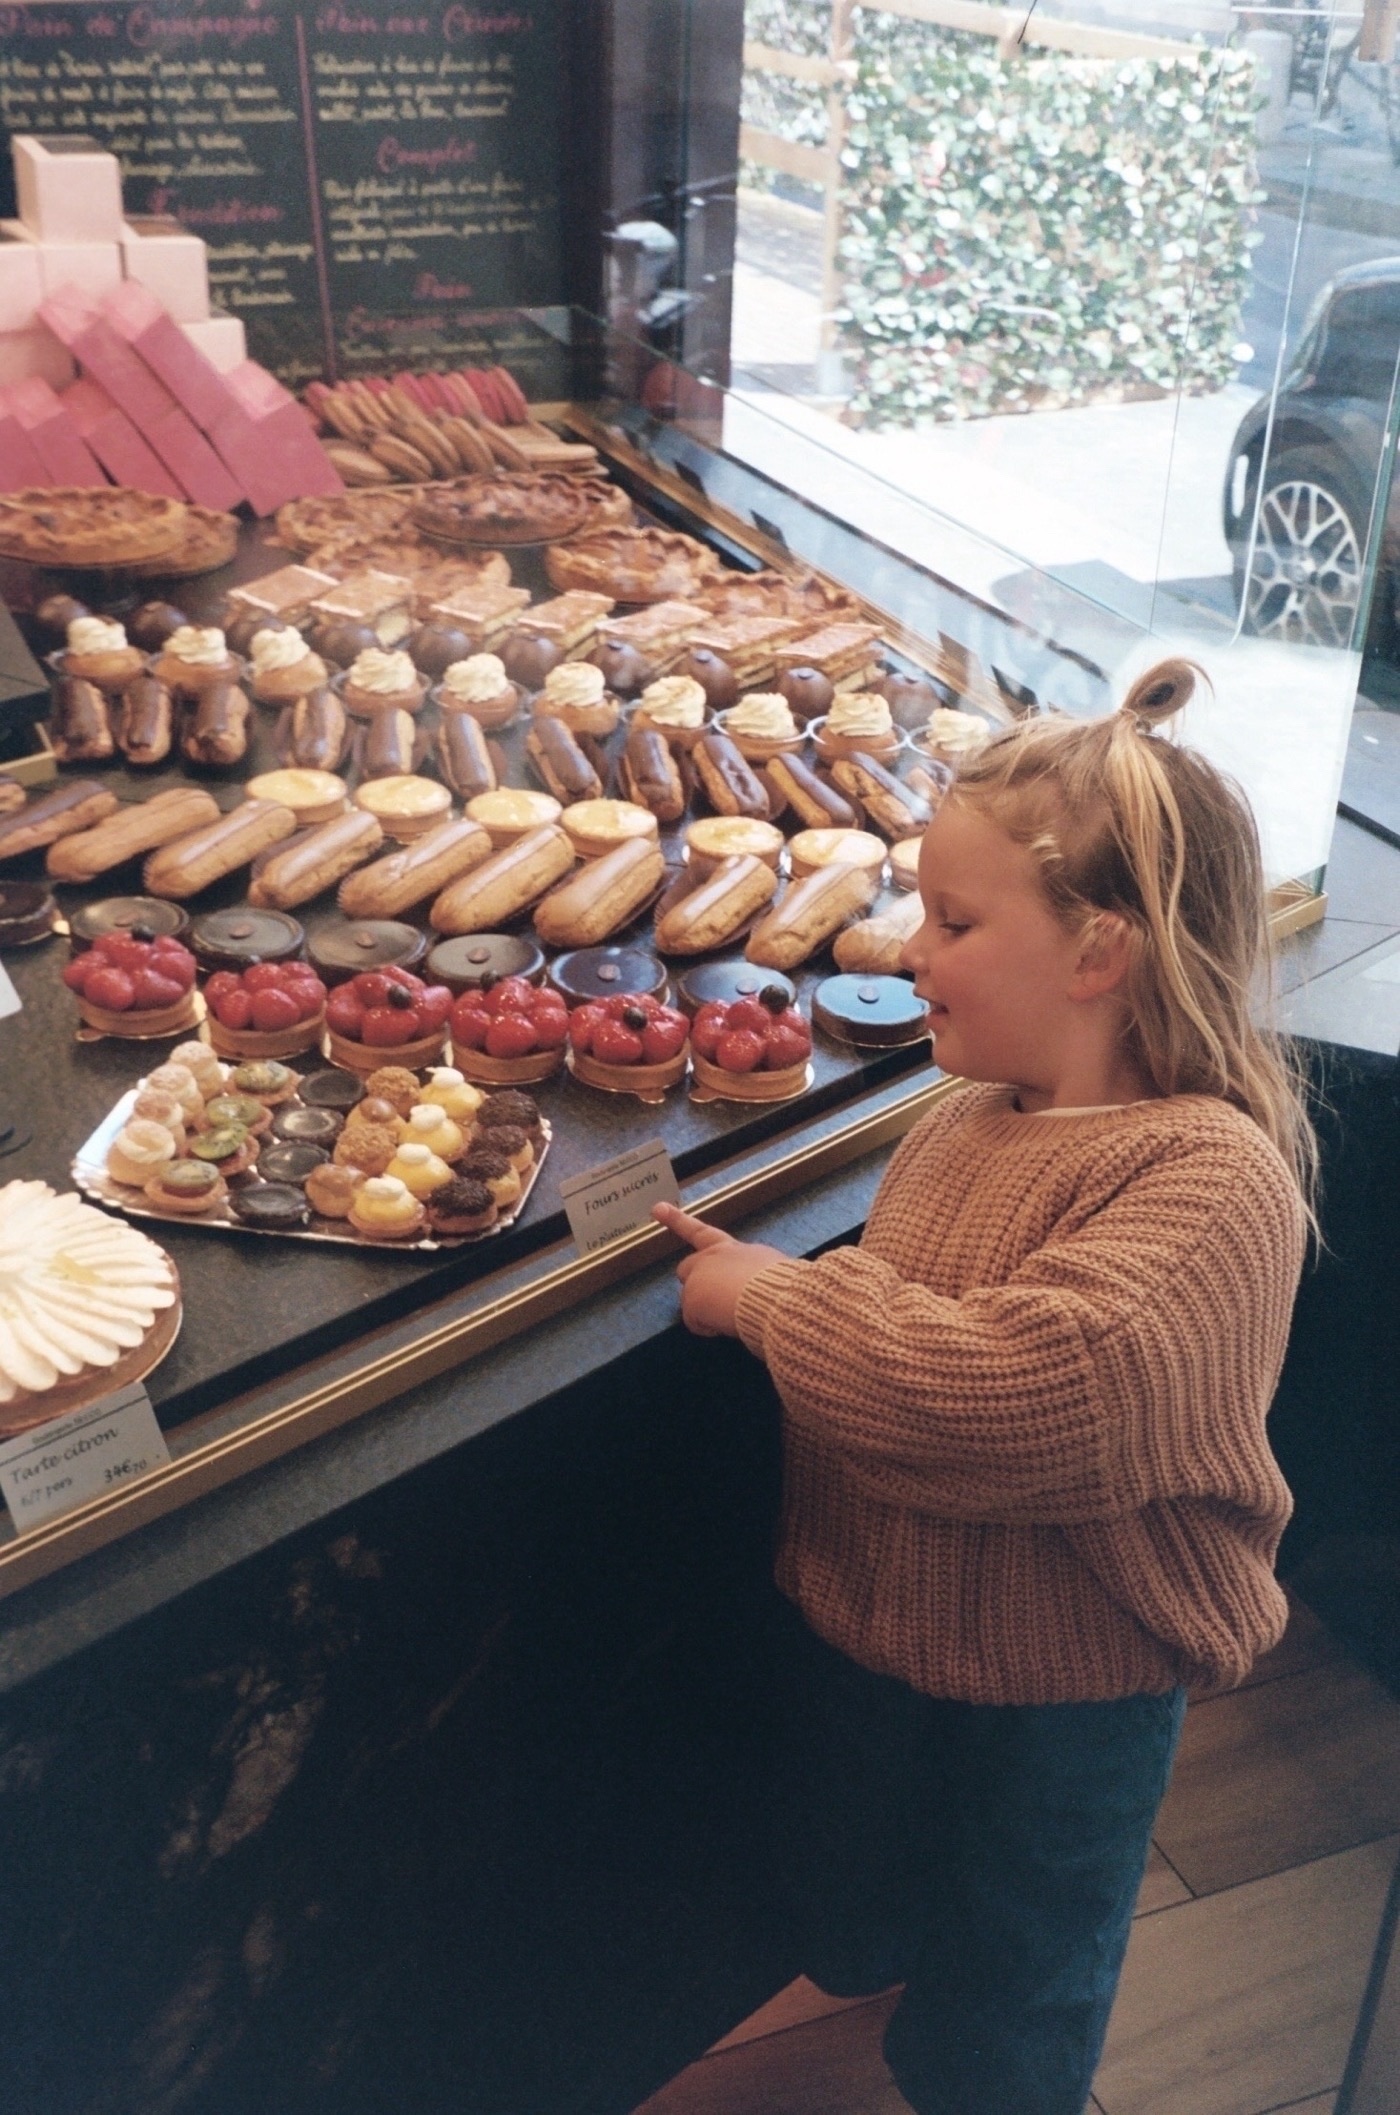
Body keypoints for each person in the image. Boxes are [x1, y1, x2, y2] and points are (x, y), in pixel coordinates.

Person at [653, 660, 1313, 2115]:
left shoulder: (1209, 1179)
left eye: (954, 922)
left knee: (1015, 1984)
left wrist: (775, 1298)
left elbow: (1017, 1400)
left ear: (1100, 953)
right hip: (885, 1630)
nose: (913, 946)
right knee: (867, 1898)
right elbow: (915, 1331)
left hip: (1070, 1686)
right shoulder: (963, 1119)